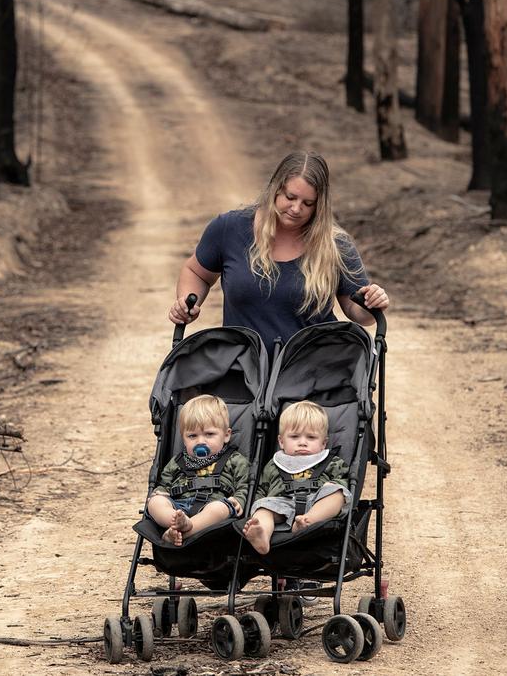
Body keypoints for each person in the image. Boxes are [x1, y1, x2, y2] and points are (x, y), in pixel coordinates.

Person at [168, 150, 389, 354]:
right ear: (275, 188)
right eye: (290, 197)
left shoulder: (336, 245)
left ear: (319, 205)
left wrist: (372, 304)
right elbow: (196, 272)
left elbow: (357, 311)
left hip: (312, 373)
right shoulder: (229, 228)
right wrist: (187, 302)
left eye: (308, 203)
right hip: (242, 369)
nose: (296, 209)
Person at [243, 400, 350, 554]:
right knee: (263, 507)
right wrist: (257, 506)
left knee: (338, 492)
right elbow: (262, 489)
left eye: (311, 438)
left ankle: (307, 521)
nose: (302, 443)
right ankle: (262, 534)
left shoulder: (332, 462)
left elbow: (344, 479)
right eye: (294, 437)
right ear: (281, 441)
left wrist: (332, 485)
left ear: (323, 443)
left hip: (317, 504)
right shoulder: (274, 464)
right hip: (282, 504)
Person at [146, 395, 250, 546]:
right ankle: (176, 523)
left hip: (212, 505)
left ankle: (183, 531)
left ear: (226, 435)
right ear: (183, 438)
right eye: (192, 436)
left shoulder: (235, 460)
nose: (201, 441)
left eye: (209, 434)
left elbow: (245, 484)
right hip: (178, 506)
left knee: (220, 508)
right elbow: (165, 483)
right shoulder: (177, 462)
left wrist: (239, 499)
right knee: (155, 502)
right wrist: (161, 491)